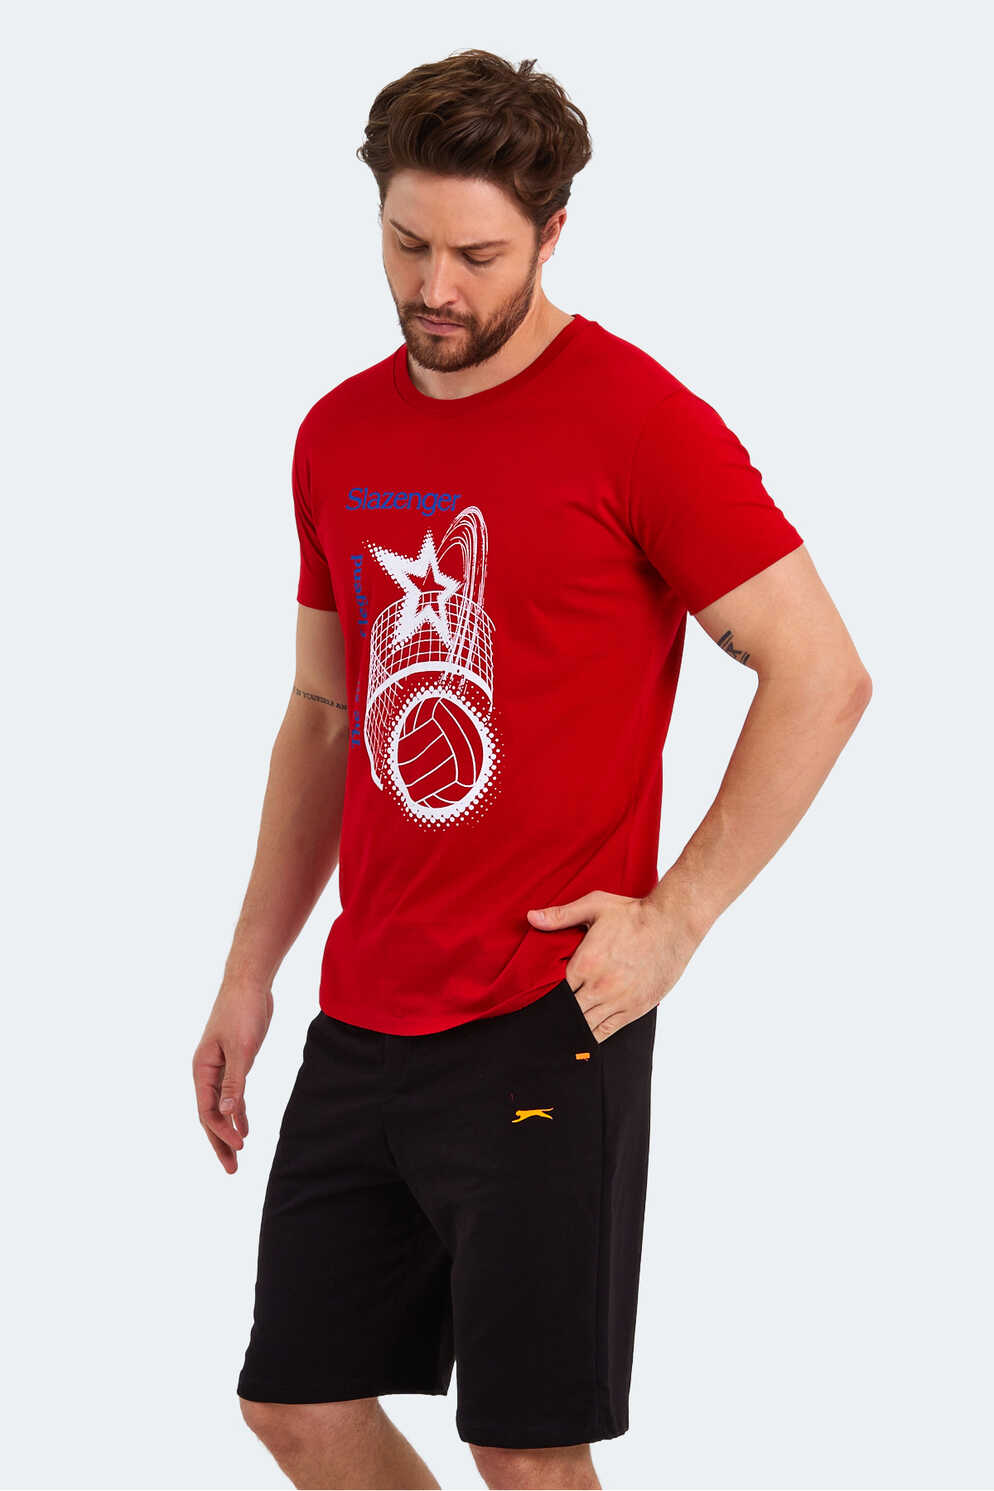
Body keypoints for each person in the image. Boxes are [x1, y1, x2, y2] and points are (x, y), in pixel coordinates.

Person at [192, 47, 872, 1491]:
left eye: (477, 256)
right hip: (364, 1007)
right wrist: (251, 972)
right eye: (407, 244)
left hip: (546, 1010)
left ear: (552, 234)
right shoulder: (337, 433)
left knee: (524, 1447)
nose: (433, 286)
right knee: (296, 1406)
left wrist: (677, 917)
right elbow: (322, 709)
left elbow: (821, 673)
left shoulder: (638, 421)